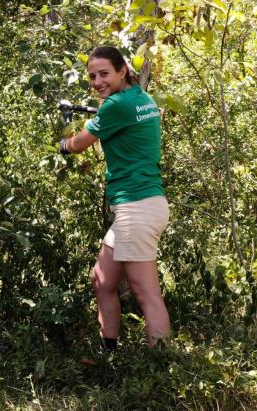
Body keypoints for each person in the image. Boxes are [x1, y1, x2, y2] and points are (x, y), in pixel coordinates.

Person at [59, 46, 170, 350]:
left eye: (104, 73)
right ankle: (109, 352)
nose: (97, 81)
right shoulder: (140, 98)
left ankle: (160, 372)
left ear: (122, 70)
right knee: (102, 281)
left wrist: (64, 144)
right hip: (142, 206)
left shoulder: (116, 105)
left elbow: (79, 144)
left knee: (146, 293)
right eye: (92, 76)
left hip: (138, 206)